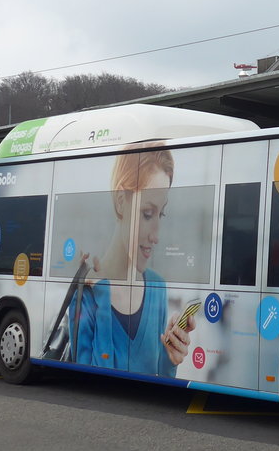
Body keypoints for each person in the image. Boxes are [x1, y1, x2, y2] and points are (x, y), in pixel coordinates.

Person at [71, 143, 194, 377]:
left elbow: (155, 382)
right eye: (147, 213)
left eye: (161, 214)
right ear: (120, 202)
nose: (156, 235)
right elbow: (91, 377)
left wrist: (170, 360)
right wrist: (103, 296)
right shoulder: (86, 290)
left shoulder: (157, 287)